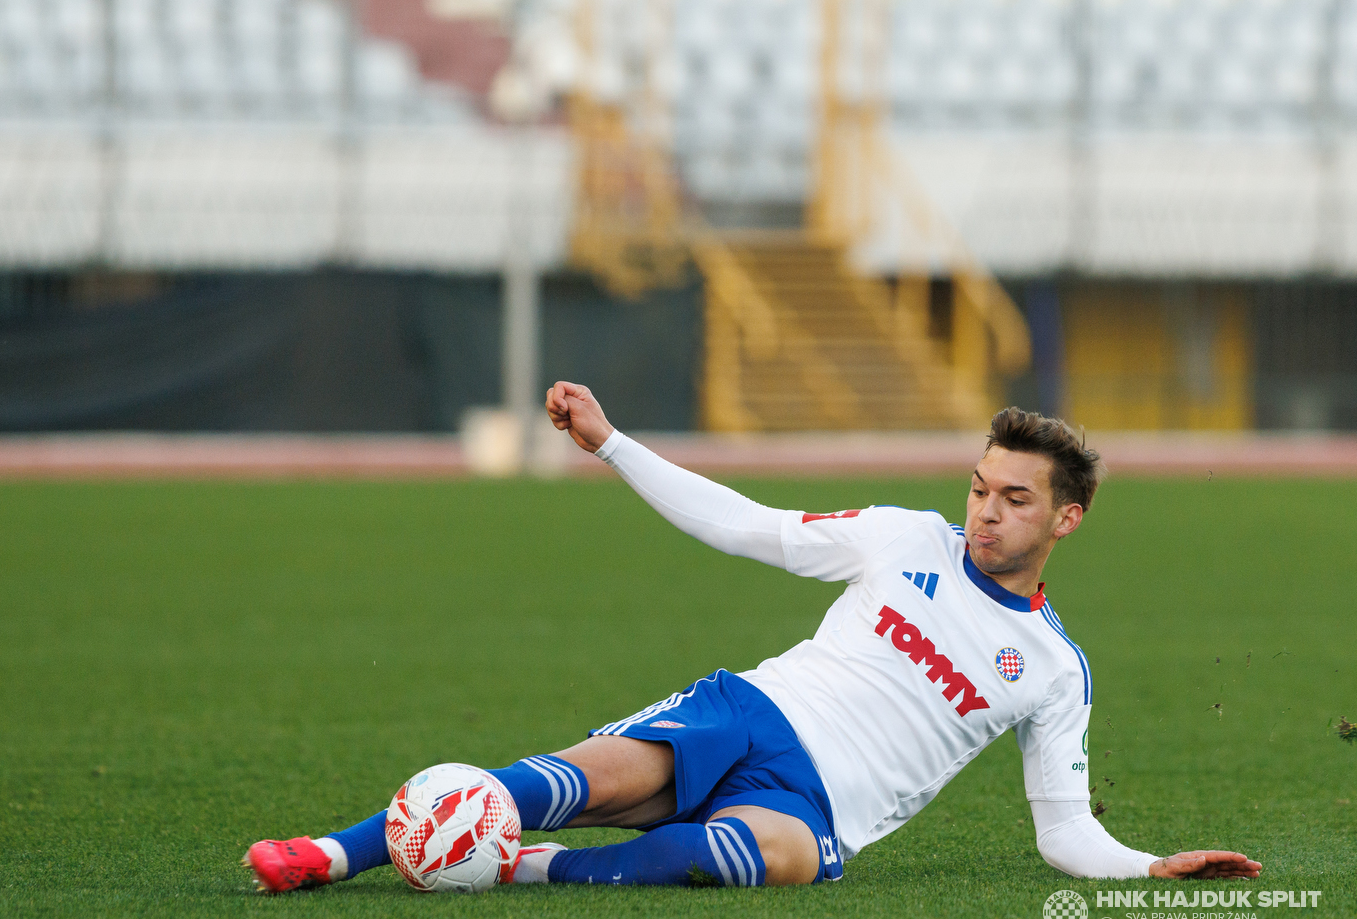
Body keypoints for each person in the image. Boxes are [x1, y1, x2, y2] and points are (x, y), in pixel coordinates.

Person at [242, 382, 1261, 891]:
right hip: (751, 712)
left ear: (1065, 519)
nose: (986, 512)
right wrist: (610, 444)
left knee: (761, 857)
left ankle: (520, 866)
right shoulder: (901, 538)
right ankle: (331, 854)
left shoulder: (1053, 670)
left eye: (1014, 499)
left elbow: (1061, 828)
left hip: (817, 806)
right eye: (979, 488)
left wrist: (1144, 868)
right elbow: (742, 525)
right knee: (581, 776)